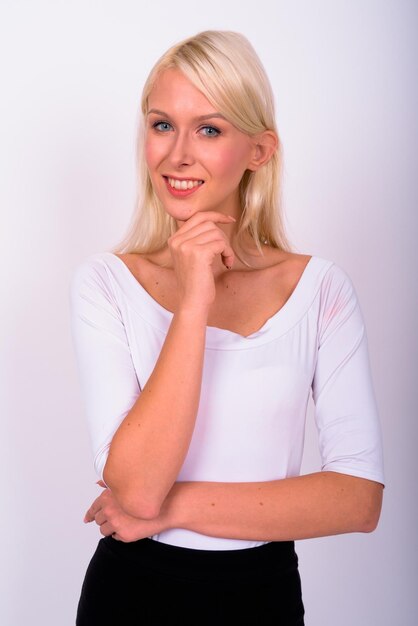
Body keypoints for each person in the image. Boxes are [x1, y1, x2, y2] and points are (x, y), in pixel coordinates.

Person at [69, 30, 385, 626]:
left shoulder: (320, 289)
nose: (177, 154)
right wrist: (193, 300)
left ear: (259, 150)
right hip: (131, 596)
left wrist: (171, 509)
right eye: (161, 125)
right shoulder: (106, 283)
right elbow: (135, 489)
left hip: (260, 597)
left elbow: (358, 499)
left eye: (208, 130)